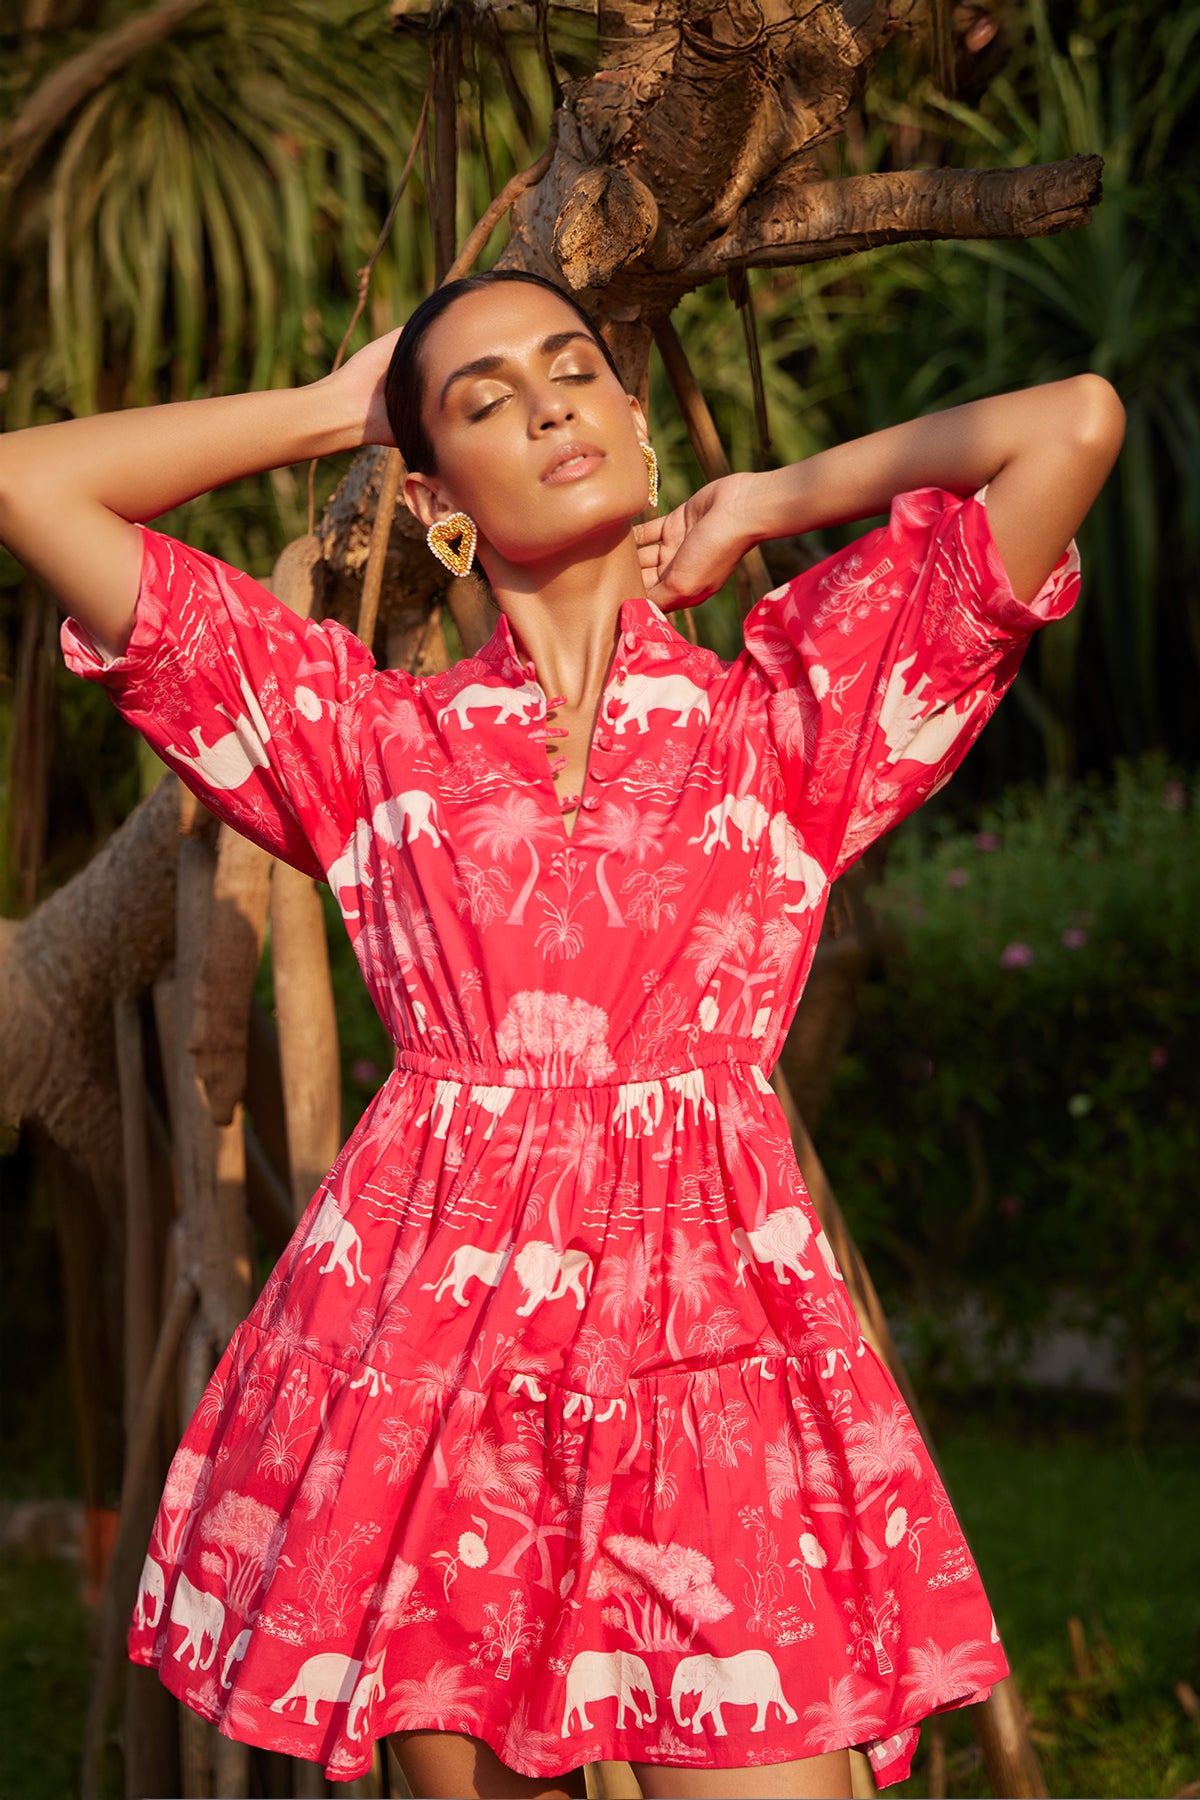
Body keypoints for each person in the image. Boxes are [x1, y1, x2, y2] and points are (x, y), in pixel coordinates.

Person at [0, 269, 1124, 1800]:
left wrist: (771, 496)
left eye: (573, 368)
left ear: (635, 423)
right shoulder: (369, 740)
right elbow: (27, 480)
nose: (543, 404)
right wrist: (340, 409)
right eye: (481, 399)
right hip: (433, 1372)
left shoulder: (787, 718)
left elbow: (1072, 424)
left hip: (717, 1361)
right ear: (438, 493)